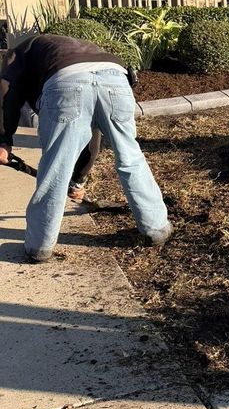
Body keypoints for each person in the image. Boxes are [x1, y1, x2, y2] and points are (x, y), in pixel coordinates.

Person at [0, 32, 171, 262]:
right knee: (131, 156)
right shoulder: (80, 46)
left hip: (66, 82)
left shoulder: (17, 53)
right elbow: (92, 134)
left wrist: (4, 140)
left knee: (55, 167)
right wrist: (78, 181)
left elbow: (6, 94)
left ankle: (39, 246)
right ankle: (156, 228)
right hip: (117, 79)